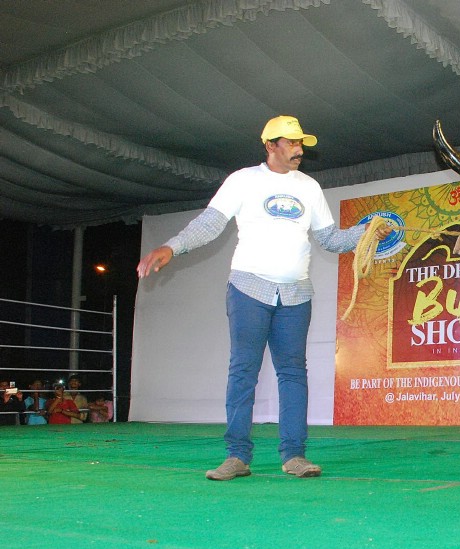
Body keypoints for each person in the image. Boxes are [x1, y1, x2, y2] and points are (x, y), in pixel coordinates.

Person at [137, 115, 390, 481]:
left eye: (301, 143)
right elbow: (210, 224)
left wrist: (366, 233)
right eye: (291, 143)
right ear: (270, 145)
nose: (299, 150)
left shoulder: (310, 187)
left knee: (293, 373)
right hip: (248, 288)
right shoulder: (243, 180)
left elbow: (331, 239)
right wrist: (171, 247)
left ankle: (294, 456)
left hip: (296, 294)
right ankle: (236, 457)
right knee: (243, 372)